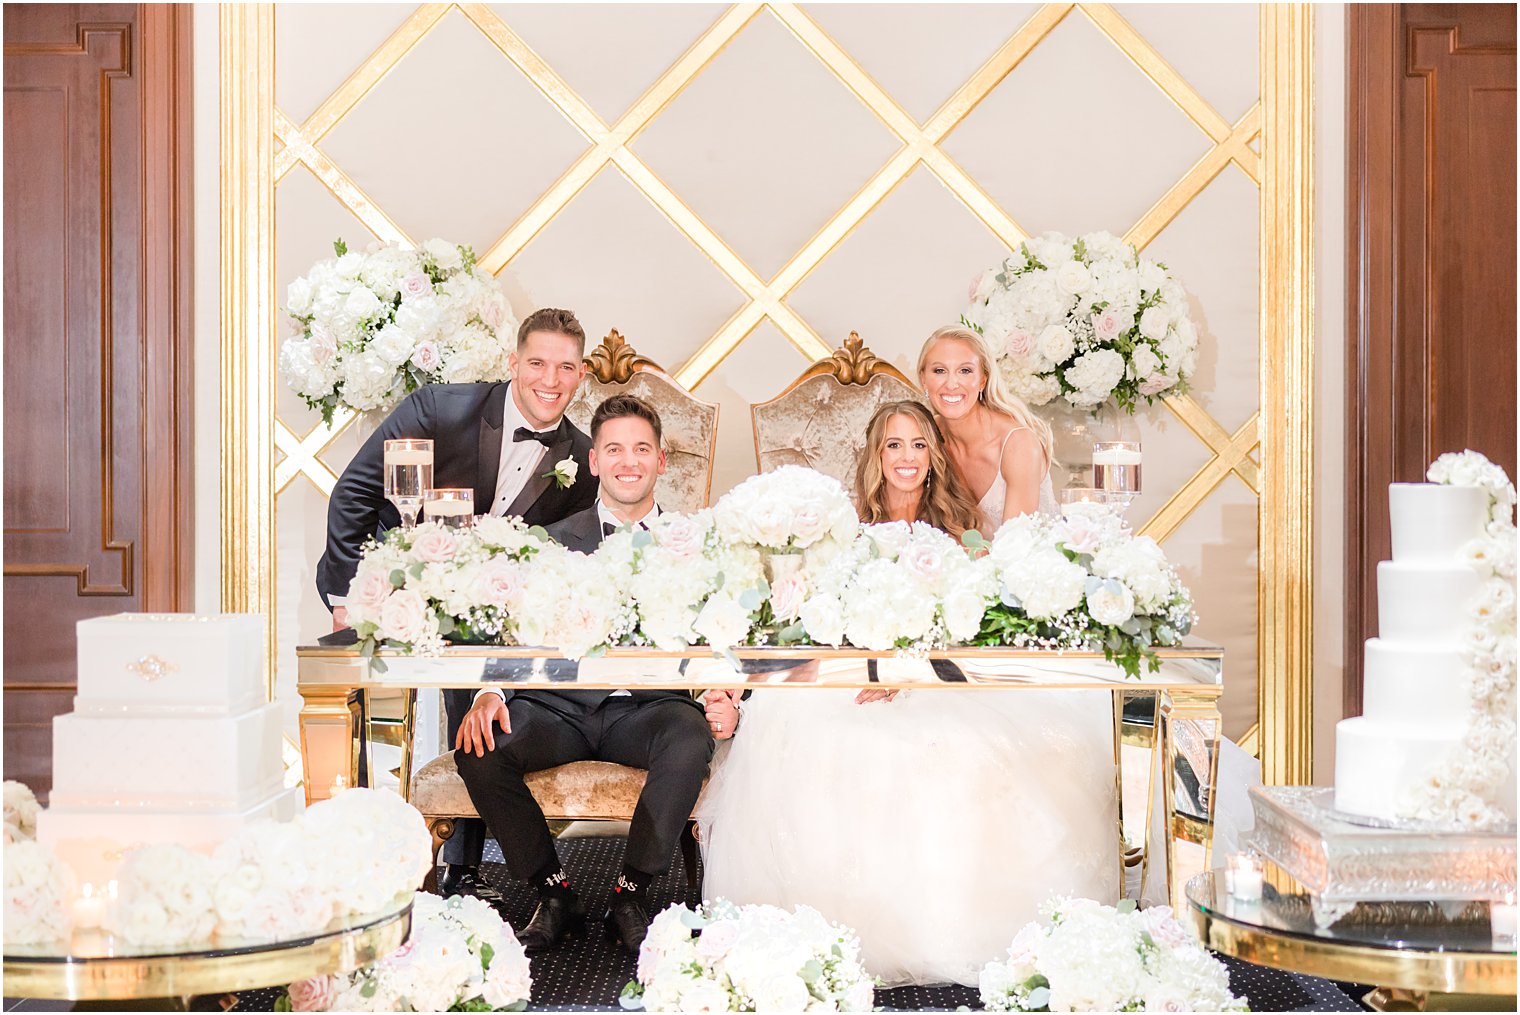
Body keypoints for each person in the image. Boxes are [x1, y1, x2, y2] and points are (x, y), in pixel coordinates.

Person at [694, 401, 1118, 987]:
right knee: (818, 742)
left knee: (963, 749)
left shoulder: (960, 526)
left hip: (934, 677)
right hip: (851, 676)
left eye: (919, 444)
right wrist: (867, 673)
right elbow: (824, 618)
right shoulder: (843, 527)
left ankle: (960, 923)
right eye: (895, 445)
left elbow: (968, 622)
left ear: (933, 454)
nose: (907, 458)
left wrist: (907, 675)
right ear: (876, 454)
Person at [317, 307, 598, 904]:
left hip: (494, 610)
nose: (551, 380)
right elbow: (354, 492)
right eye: (539, 363)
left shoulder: (581, 456)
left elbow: (568, 555)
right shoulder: (440, 410)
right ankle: (362, 849)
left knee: (480, 692)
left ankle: (463, 869)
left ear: (581, 374)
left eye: (566, 368)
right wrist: (347, 598)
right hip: (397, 588)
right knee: (371, 708)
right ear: (513, 363)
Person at [454, 394, 716, 956]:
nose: (629, 461)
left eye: (641, 449)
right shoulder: (552, 540)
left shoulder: (695, 547)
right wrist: (491, 692)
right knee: (480, 748)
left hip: (649, 708)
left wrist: (724, 691)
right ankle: (554, 893)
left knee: (689, 738)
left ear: (661, 461)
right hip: (559, 707)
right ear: (594, 461)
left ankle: (632, 893)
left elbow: (720, 631)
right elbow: (516, 630)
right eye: (615, 449)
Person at [917, 324, 1057, 530]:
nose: (952, 383)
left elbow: (1015, 546)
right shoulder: (926, 436)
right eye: (939, 370)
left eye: (965, 371)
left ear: (983, 379)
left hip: (1026, 558)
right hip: (959, 560)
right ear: (923, 379)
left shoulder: (1018, 445)